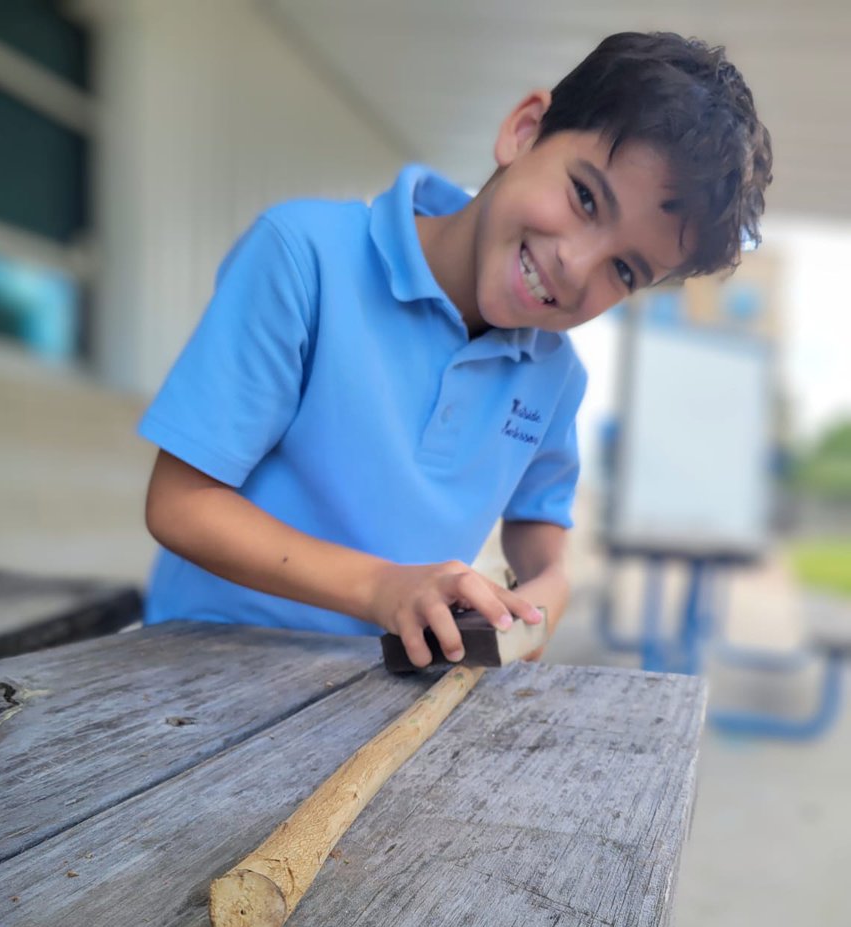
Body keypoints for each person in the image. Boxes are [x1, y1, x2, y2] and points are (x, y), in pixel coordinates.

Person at [139, 30, 772, 668]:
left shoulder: (554, 376)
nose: (577, 267)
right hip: (204, 675)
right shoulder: (305, 258)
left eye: (626, 271)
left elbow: (538, 521)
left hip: (384, 690)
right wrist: (382, 588)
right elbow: (180, 504)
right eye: (584, 198)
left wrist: (551, 583)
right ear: (524, 131)